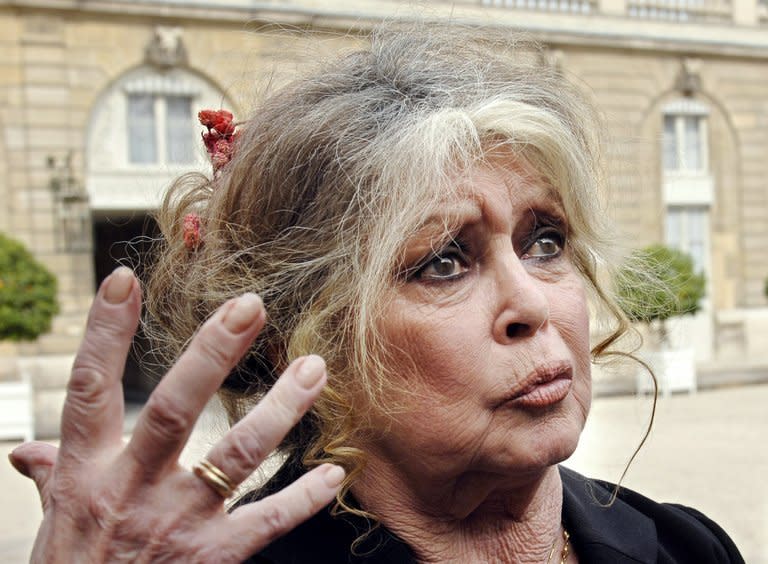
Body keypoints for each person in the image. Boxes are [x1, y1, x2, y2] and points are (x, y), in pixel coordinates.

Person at [10, 24, 744, 563]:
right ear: (302, 344)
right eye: (443, 262)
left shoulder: (685, 545)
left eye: (544, 240)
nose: (533, 305)